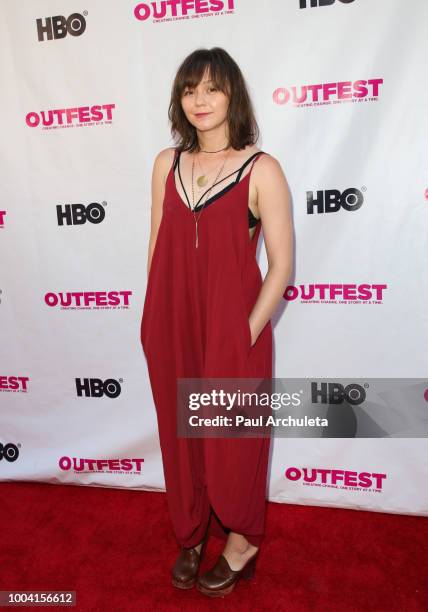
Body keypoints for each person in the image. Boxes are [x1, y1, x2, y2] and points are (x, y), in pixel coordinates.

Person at [140, 47, 293, 598]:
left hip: (234, 328)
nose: (200, 100)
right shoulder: (167, 163)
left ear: (233, 95)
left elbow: (282, 266)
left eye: (212, 88)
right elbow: (157, 247)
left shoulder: (262, 169)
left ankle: (240, 540)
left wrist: (245, 332)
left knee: (233, 440)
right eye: (189, 89)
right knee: (181, 435)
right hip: (173, 322)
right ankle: (190, 530)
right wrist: (151, 317)